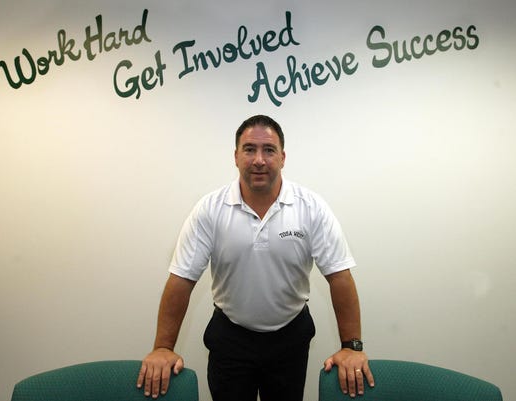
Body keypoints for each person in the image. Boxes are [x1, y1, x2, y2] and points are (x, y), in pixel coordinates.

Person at [136, 115, 375, 401]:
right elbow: (181, 279)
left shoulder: (311, 207)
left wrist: (352, 347)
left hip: (290, 338)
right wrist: (163, 347)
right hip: (230, 339)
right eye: (249, 149)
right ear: (236, 156)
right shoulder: (210, 209)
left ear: (283, 157)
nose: (259, 160)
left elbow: (339, 276)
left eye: (268, 150)